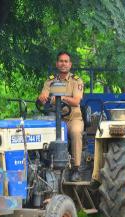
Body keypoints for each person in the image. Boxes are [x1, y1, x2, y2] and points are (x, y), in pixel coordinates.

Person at [38, 51, 84, 181]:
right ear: (57, 64)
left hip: (72, 118)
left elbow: (76, 101)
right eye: (61, 61)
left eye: (66, 61)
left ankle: (76, 168)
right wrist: (42, 98)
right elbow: (45, 96)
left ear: (70, 64)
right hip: (54, 118)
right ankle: (43, 164)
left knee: (75, 132)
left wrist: (60, 97)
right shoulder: (50, 81)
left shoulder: (76, 81)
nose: (63, 64)